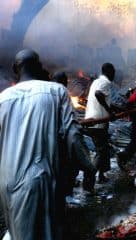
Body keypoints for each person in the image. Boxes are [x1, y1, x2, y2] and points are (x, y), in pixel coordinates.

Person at [0, 49, 91, 239]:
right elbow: (73, 135)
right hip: (40, 178)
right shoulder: (56, 91)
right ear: (39, 66)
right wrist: (88, 166)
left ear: (14, 68)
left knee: (18, 233)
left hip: (7, 181)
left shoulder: (3, 98)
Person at [84, 63, 116, 183]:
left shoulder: (96, 81)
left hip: (94, 120)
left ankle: (102, 176)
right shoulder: (105, 82)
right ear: (110, 72)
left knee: (104, 149)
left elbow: (103, 99)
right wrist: (110, 112)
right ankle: (89, 181)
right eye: (113, 72)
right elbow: (98, 95)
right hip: (97, 123)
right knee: (100, 151)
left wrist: (115, 108)